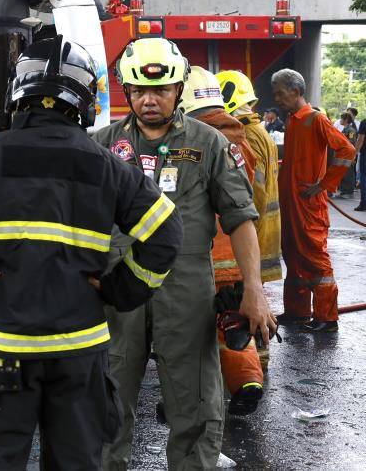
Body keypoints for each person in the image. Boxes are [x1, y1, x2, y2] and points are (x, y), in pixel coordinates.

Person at [0, 35, 182, 470]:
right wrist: (118, 289)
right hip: (79, 348)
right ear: (85, 98)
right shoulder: (108, 165)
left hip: (3, 347)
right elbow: (166, 232)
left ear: (20, 93)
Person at [94, 38, 275, 470]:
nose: (148, 100)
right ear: (126, 90)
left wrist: (254, 289)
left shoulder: (211, 144)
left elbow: (240, 218)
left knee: (195, 407)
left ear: (179, 88)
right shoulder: (101, 145)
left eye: (160, 90)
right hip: (119, 290)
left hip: (188, 288)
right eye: (137, 91)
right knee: (106, 407)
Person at [180, 67, 264, 417]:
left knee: (193, 329)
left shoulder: (190, 142)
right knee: (232, 320)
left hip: (203, 254)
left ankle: (189, 399)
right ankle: (247, 380)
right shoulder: (241, 138)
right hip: (238, 250)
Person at [272, 69, 356, 333]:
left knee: (316, 259)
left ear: (296, 92)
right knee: (294, 256)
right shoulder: (293, 120)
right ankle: (297, 312)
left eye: (280, 93)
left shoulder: (314, 118)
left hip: (308, 206)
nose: (277, 99)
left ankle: (326, 318)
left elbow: (347, 150)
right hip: (291, 202)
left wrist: (323, 185)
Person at [217, 69, 283, 368]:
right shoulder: (261, 133)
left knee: (247, 298)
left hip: (252, 230)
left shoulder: (245, 136)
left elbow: (248, 193)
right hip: (264, 230)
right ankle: (260, 356)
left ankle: (256, 360)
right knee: (252, 296)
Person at [338, 113, 359, 198]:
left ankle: (349, 192)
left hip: (349, 154)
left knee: (348, 173)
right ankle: (344, 191)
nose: (340, 120)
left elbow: (352, 142)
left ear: (346, 120)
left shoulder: (350, 130)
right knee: (343, 172)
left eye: (342, 119)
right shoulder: (345, 129)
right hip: (344, 154)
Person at [356, 114, 366, 212]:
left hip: (365, 154)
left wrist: (354, 153)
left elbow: (360, 140)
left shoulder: (364, 122)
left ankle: (364, 204)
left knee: (364, 178)